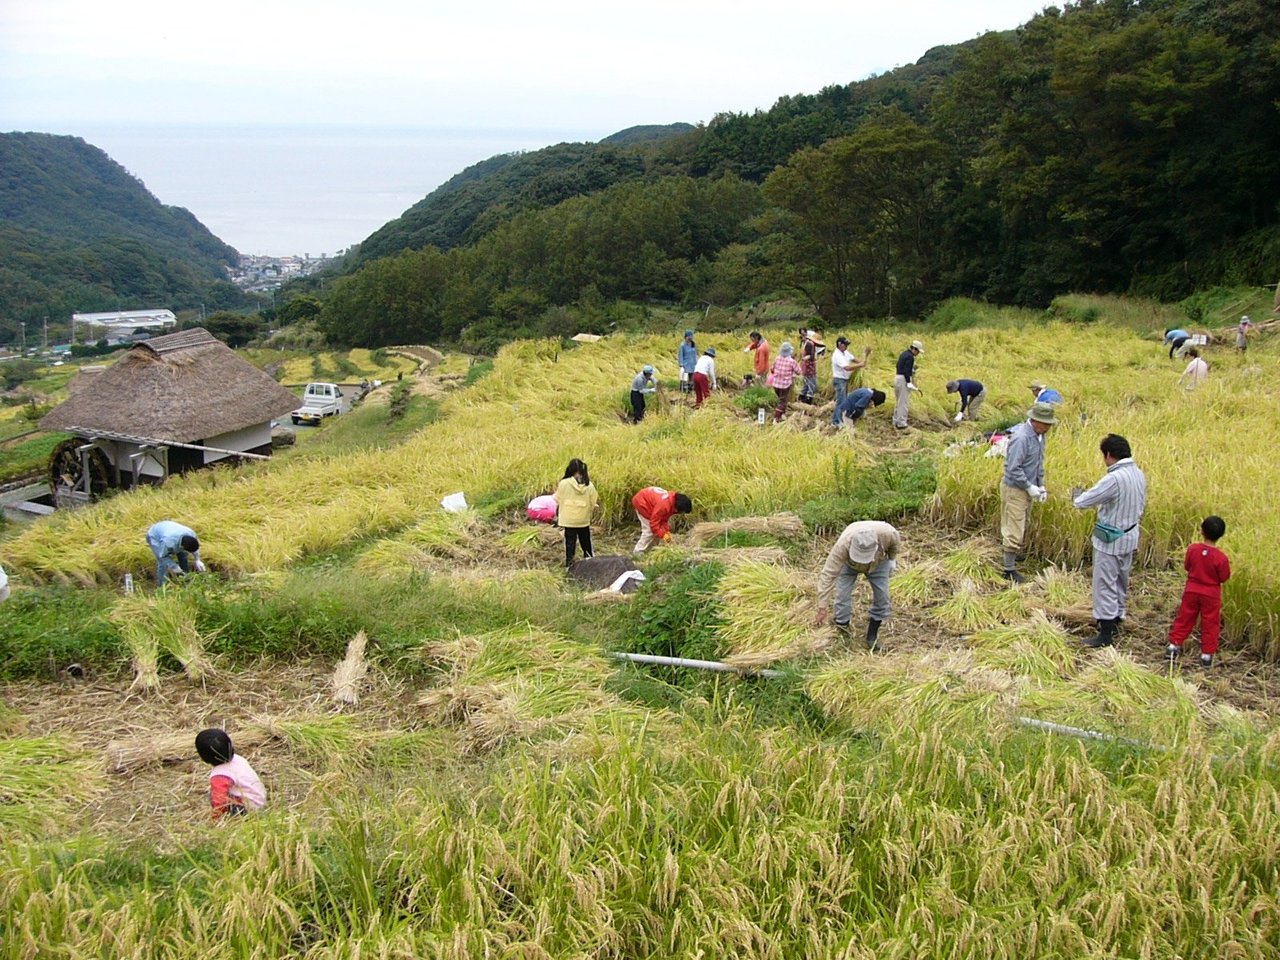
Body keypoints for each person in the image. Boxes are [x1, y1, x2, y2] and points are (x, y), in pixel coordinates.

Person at [1070, 434, 1147, 648]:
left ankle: (1105, 632)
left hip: (1110, 540)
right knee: (1121, 579)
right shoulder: (1138, 474)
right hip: (1130, 535)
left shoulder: (1114, 478)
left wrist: (1076, 497)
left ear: (1108, 455)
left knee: (1104, 583)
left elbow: (1085, 500)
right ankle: (1118, 617)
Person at [813, 520, 900, 652]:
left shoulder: (888, 534)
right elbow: (828, 575)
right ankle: (842, 629)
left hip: (877, 564)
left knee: (883, 598)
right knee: (842, 596)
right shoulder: (842, 546)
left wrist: (892, 559)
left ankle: (872, 636)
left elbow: (895, 545)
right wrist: (822, 607)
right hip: (849, 565)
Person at [999, 402, 1057, 582]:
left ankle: (1014, 554)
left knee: (1023, 522)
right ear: (1035, 420)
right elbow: (1013, 469)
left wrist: (1040, 485)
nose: (1048, 427)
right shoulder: (1022, 438)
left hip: (1028, 487)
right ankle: (1008, 569)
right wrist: (1028, 486)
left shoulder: (1039, 437)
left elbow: (1039, 464)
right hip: (1015, 488)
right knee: (1014, 526)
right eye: (1045, 424)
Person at [1167, 515, 1231, 668]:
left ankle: (1174, 645)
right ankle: (1206, 655)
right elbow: (1224, 577)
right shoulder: (1221, 557)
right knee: (1210, 623)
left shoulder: (1193, 549)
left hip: (1192, 590)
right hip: (1211, 594)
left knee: (1185, 616)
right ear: (1221, 535)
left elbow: (1187, 566)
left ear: (1201, 531)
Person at [195, 728, 266, 820]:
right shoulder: (238, 759)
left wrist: (216, 819)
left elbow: (219, 801)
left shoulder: (220, 775)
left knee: (213, 795)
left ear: (203, 757)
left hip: (248, 807)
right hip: (259, 799)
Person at [554, 458, 598, 567]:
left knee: (570, 543)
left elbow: (557, 498)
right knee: (586, 542)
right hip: (583, 520)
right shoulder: (589, 485)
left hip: (568, 520)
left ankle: (569, 565)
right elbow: (593, 502)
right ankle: (589, 562)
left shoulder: (564, 483)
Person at [632, 487, 692, 553]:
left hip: (648, 501)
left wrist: (665, 531)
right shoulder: (664, 505)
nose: (681, 513)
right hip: (642, 503)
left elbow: (663, 519)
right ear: (680, 507)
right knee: (649, 531)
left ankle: (652, 550)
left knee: (658, 531)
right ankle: (638, 551)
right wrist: (663, 534)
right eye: (683, 511)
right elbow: (654, 523)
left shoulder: (672, 502)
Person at [146, 520, 205, 587]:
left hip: (170, 528)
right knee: (162, 563)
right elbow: (162, 556)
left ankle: (185, 579)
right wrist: (174, 566)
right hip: (154, 536)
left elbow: (195, 549)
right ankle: (162, 586)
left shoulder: (192, 534)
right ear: (182, 546)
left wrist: (197, 559)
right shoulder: (168, 542)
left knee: (183, 556)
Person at [830, 338, 870, 426]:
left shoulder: (845, 352)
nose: (847, 346)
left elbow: (853, 359)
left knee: (844, 400)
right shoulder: (837, 355)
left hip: (845, 380)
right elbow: (847, 367)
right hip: (840, 380)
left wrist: (863, 362)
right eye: (845, 345)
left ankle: (839, 419)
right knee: (841, 401)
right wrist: (860, 365)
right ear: (840, 344)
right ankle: (836, 421)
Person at [768, 342, 804, 422]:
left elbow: (772, 369)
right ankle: (776, 418)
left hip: (776, 384)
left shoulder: (777, 358)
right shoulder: (792, 361)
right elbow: (799, 372)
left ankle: (782, 414)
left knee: (781, 399)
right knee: (783, 402)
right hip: (785, 385)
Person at [893, 340, 923, 429]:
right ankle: (901, 423)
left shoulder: (903, 354)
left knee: (898, 401)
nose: (917, 354)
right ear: (914, 349)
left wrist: (912, 369)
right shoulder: (910, 357)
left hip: (897, 377)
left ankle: (895, 420)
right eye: (918, 351)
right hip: (903, 379)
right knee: (903, 402)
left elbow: (899, 366)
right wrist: (909, 382)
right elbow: (906, 370)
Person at [798, 329, 821, 404]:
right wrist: (807, 359)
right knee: (811, 384)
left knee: (806, 383)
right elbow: (809, 355)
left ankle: (801, 398)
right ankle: (808, 400)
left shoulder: (807, 343)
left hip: (806, 366)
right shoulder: (810, 344)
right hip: (809, 366)